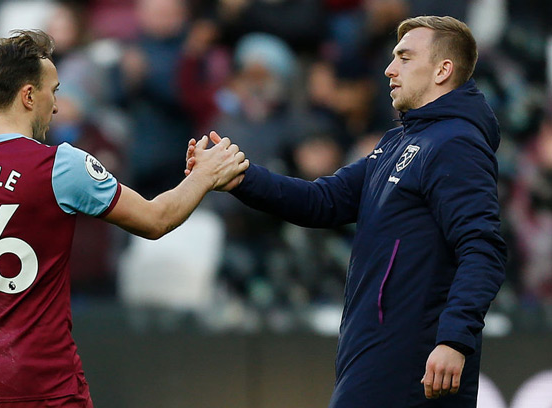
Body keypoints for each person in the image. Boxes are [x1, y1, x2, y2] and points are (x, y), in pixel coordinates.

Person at [0, 29, 247, 408]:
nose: (57, 106)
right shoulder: (60, 165)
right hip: (43, 381)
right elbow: (156, 219)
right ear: (29, 95)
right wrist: (204, 176)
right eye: (54, 91)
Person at [187, 16, 506, 407]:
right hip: (374, 355)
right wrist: (240, 176)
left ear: (443, 70)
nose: (389, 69)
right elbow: (322, 201)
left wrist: (454, 339)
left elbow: (482, 248)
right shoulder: (397, 143)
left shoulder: (456, 143)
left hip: (414, 363)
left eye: (404, 58)